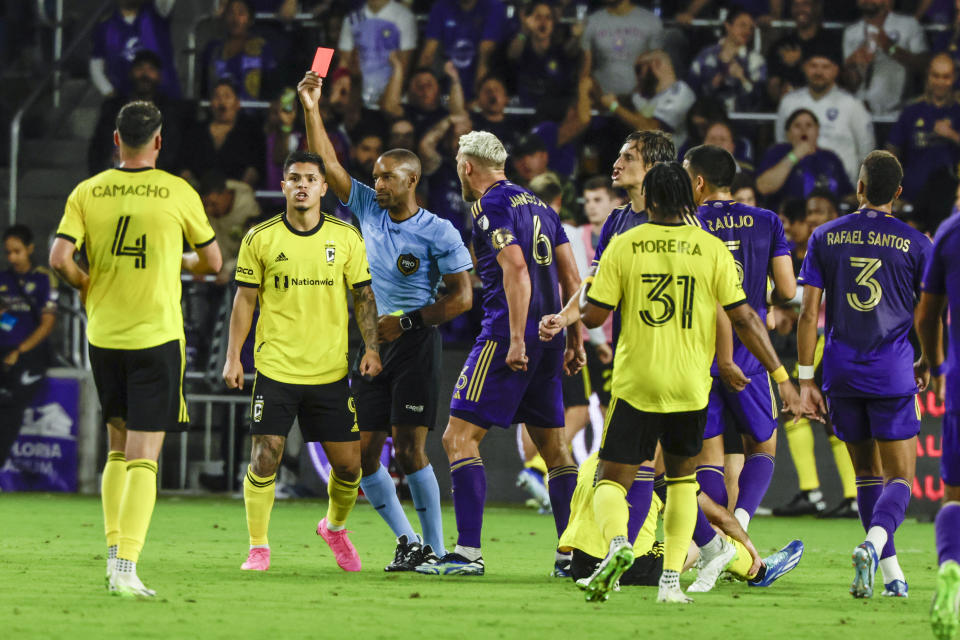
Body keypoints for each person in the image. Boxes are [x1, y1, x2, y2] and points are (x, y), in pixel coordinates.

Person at [538, 162, 802, 603]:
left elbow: (596, 315)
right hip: (690, 384)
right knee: (682, 483)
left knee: (611, 480)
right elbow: (744, 316)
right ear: (688, 198)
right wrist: (781, 376)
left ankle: (619, 547)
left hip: (637, 381)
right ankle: (669, 586)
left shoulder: (625, 244)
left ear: (652, 200)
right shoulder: (710, 248)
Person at [298, 71, 474, 571]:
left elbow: (462, 298)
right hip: (374, 344)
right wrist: (312, 107)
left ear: (411, 181)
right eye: (374, 176)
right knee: (365, 456)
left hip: (415, 345)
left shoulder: (438, 231)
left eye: (386, 177)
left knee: (411, 451)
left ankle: (438, 551)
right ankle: (408, 540)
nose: (376, 184)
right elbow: (328, 162)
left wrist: (412, 323)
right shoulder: (367, 211)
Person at [49, 101, 223, 596]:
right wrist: (180, 261)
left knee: (117, 448)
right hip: (155, 337)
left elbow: (60, 257)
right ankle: (126, 568)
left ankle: (111, 555)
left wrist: (87, 286)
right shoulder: (176, 191)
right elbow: (212, 261)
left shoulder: (88, 191)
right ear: (159, 142)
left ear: (116, 140)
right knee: (146, 456)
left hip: (104, 336)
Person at [415, 130, 583, 577]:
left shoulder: (490, 205)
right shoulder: (541, 206)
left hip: (509, 338)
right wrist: (575, 336)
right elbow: (573, 278)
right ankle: (571, 554)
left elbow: (515, 270)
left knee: (458, 438)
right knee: (554, 447)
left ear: (467, 167)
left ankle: (468, 552)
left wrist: (515, 339)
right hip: (553, 338)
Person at [222, 149, 380, 574]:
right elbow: (245, 300)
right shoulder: (260, 237)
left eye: (311, 178)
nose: (303, 185)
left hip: (329, 371)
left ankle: (334, 527)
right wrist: (233, 356)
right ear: (284, 185)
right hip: (275, 368)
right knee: (265, 456)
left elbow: (363, 296)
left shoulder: (346, 238)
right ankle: (259, 548)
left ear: (324, 187)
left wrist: (372, 348)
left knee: (350, 466)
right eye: (294, 178)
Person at [797, 150, 932, 599]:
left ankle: (892, 575)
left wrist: (804, 379)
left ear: (859, 187)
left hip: (839, 372)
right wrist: (928, 359)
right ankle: (874, 545)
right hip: (891, 372)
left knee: (866, 476)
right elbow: (929, 313)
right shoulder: (916, 244)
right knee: (899, 479)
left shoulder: (824, 236)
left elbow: (808, 314)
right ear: (897, 193)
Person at [683, 145, 797, 547]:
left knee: (708, 457)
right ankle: (742, 520)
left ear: (698, 181)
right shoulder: (767, 221)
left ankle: (716, 541)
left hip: (697, 355)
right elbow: (786, 289)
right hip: (749, 355)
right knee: (762, 446)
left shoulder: (688, 223)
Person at [915, 208, 960, 640]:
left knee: (955, 497)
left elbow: (927, 316)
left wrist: (937, 363)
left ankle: (951, 567)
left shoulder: (950, 230)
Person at [0, 226, 58, 471]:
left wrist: (19, 350)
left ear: (30, 249)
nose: (12, 257)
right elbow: (5, 318)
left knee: (11, 412)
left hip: (28, 357)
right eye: (8, 253)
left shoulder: (43, 278)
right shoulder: (4, 280)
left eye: (17, 251)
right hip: (3, 351)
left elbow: (46, 325)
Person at [776, 45, 875, 186]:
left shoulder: (852, 105)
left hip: (842, 189)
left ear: (836, 70)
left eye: (825, 67)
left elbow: (867, 151)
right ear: (804, 68)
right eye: (813, 66)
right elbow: (782, 143)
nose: (819, 72)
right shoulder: (789, 102)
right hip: (798, 186)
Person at [88, 49, 191, 176]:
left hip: (156, 181)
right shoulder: (112, 107)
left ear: (159, 76)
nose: (145, 74)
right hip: (114, 178)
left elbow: (174, 152)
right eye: (140, 68)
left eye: (151, 69)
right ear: (131, 73)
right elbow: (97, 148)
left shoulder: (171, 110)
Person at [887, 53, 960, 233]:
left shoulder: (958, 111)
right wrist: (891, 192)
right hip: (912, 195)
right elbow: (891, 152)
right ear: (928, 76)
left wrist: (951, 134)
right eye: (935, 76)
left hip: (949, 200)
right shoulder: (912, 111)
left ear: (954, 78)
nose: (940, 82)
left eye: (946, 77)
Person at [842, 0, 928, 116]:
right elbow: (849, 85)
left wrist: (890, 48)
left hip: (899, 112)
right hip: (861, 113)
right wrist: (853, 64)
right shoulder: (851, 32)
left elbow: (923, 66)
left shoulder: (908, 25)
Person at [757, 108, 853, 211]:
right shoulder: (777, 153)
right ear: (788, 134)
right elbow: (763, 187)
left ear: (817, 131)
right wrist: (794, 156)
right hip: (789, 220)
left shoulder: (830, 158)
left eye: (809, 125)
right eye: (797, 126)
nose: (804, 130)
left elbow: (846, 194)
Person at [601, 50, 696, 150]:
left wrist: (614, 106)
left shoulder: (680, 93)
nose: (638, 76)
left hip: (671, 159)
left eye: (639, 69)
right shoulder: (651, 96)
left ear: (656, 64)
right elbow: (639, 117)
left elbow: (649, 128)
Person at [180, 79, 265, 189]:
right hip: (200, 193)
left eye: (227, 96)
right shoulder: (196, 132)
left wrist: (234, 192)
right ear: (211, 103)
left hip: (237, 193)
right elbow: (184, 166)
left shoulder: (250, 132)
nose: (221, 102)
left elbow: (255, 168)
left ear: (237, 103)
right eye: (217, 97)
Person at [418, 0, 509, 99]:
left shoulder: (494, 6)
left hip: (479, 87)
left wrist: (477, 100)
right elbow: (427, 55)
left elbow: (485, 58)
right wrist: (421, 91)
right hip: (446, 86)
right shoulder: (441, 6)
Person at [89, 0, 180, 99]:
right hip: (127, 101)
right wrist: (107, 90)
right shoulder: (105, 28)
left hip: (166, 98)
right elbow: (96, 63)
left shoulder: (157, 13)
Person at [337, 0, 418, 108]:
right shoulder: (351, 19)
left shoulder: (405, 17)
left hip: (392, 101)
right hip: (358, 101)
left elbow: (404, 65)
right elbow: (344, 62)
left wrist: (389, 99)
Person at [580, 0, 664, 98]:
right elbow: (585, 69)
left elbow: (658, 65)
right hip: (601, 98)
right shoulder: (591, 21)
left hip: (638, 100)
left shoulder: (651, 21)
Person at [687, 8, 766, 112]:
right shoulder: (705, 55)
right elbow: (691, 89)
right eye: (742, 25)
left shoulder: (756, 60)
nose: (747, 31)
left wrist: (742, 78)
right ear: (728, 26)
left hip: (742, 121)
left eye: (751, 28)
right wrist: (714, 84)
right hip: (710, 117)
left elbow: (758, 98)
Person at [200, 0, 277, 101]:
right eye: (231, 13)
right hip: (219, 111)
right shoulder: (213, 48)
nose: (235, 19)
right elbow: (203, 88)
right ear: (224, 17)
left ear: (250, 19)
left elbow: (272, 86)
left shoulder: (261, 47)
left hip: (253, 113)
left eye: (241, 13)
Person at [766, 0, 841, 103]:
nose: (800, 9)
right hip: (791, 110)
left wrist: (800, 61)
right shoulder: (780, 45)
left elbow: (838, 83)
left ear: (816, 7)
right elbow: (773, 87)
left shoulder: (831, 43)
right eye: (796, 5)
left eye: (806, 4)